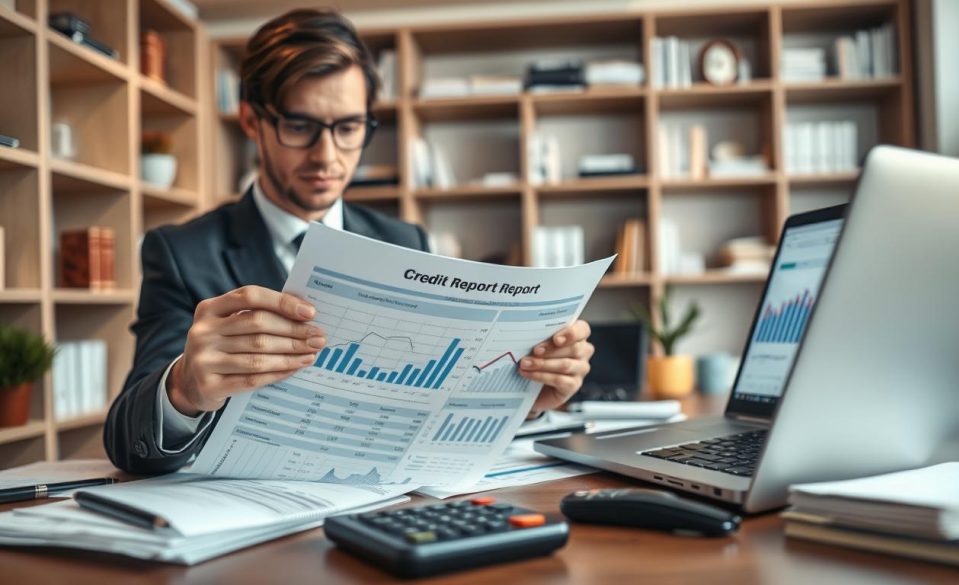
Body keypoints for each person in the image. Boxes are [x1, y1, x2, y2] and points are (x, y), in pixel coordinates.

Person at [104, 8, 595, 474]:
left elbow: (432, 409)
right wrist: (183, 389)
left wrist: (521, 401)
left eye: (348, 128)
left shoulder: (406, 241)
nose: (327, 155)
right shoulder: (181, 252)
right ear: (252, 120)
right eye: (300, 126)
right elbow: (129, 440)